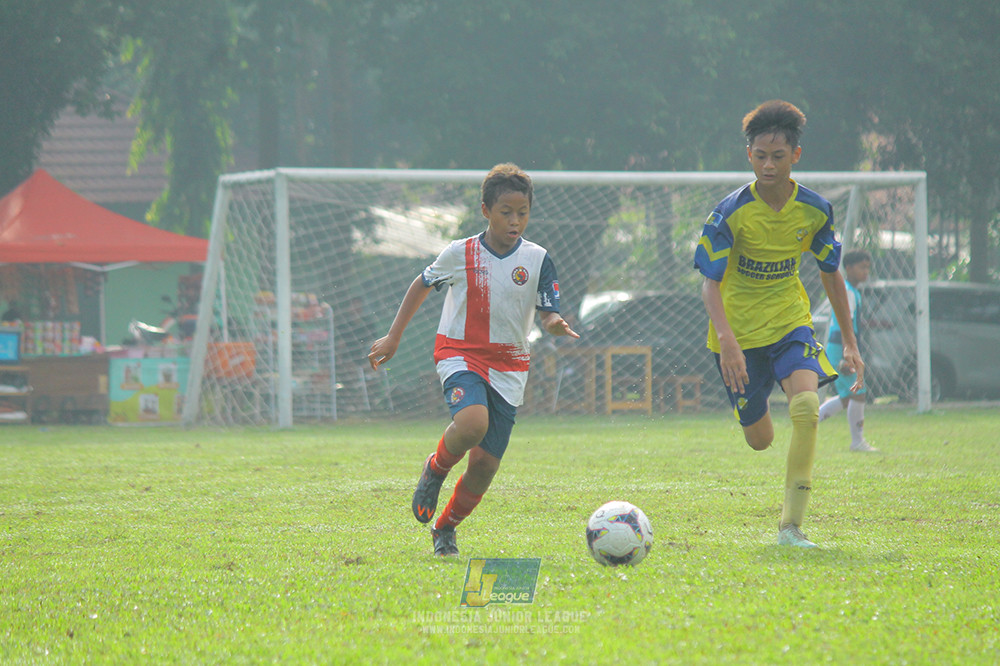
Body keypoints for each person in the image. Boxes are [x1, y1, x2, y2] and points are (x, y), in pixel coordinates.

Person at [368, 163, 579, 556]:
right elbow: (421, 284)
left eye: (523, 213)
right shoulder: (460, 252)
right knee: (472, 423)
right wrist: (394, 336)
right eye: (506, 212)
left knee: (484, 467)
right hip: (460, 352)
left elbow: (548, 311)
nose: (515, 221)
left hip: (510, 365)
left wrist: (554, 324)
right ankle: (436, 468)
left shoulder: (537, 259)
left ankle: (445, 528)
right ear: (485, 210)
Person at [693, 100, 864, 548]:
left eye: (778, 156)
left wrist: (850, 341)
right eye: (760, 156)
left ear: (796, 156)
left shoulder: (815, 210)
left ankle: (791, 528)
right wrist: (727, 342)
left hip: (790, 324)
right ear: (749, 155)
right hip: (737, 337)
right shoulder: (730, 213)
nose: (769, 165)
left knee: (806, 409)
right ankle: (756, 404)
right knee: (760, 439)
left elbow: (831, 273)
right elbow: (710, 285)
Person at [818, 249, 877, 452]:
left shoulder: (853, 291)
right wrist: (847, 353)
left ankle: (808, 423)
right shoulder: (848, 292)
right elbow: (845, 324)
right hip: (840, 348)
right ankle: (857, 442)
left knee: (846, 397)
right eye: (862, 267)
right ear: (848, 268)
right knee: (858, 393)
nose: (866, 272)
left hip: (840, 347)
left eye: (867, 268)